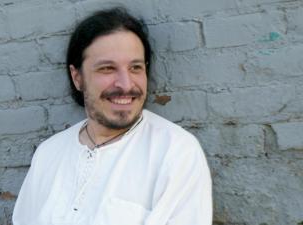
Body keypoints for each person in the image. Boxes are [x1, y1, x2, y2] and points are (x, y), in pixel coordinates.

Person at [12, 7, 212, 225]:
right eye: (107, 69)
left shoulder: (175, 152)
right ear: (77, 77)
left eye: (135, 67)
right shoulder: (48, 154)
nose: (126, 85)